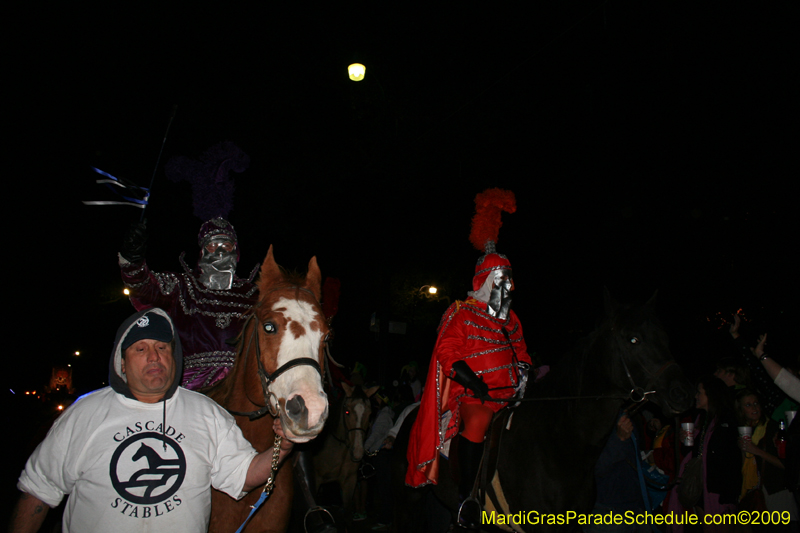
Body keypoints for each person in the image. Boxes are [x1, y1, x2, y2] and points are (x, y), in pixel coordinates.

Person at [10, 308, 294, 532]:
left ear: (174, 356)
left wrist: (283, 445)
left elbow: (244, 474)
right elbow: (38, 493)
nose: (154, 357)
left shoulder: (206, 413)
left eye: (162, 347)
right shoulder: (85, 412)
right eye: (140, 349)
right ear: (122, 362)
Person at [119, 142, 258, 391]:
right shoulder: (182, 287)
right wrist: (132, 259)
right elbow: (143, 287)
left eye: (226, 245)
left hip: (244, 386)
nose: (220, 251)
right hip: (192, 387)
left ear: (236, 251)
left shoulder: (252, 294)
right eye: (213, 246)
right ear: (202, 250)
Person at [667, 377, 741, 533]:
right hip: (702, 488)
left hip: (718, 491)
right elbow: (694, 455)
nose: (695, 396)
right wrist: (686, 441)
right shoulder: (701, 420)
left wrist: (728, 495)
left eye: (699, 392)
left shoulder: (726, 422)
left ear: (711, 395)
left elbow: (730, 461)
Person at [734, 388, 798, 526]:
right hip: (753, 491)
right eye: (748, 405)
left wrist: (756, 450)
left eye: (756, 403)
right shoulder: (740, 430)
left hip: (776, 490)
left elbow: (786, 464)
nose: (754, 408)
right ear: (740, 410)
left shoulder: (772, 429)